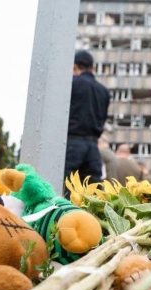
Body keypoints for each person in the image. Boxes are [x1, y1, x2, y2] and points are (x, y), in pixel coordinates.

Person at [64, 50, 111, 192]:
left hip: (72, 144)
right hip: (92, 148)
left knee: (65, 190)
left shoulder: (70, 84)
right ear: (93, 68)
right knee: (92, 194)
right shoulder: (103, 91)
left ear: (74, 67)